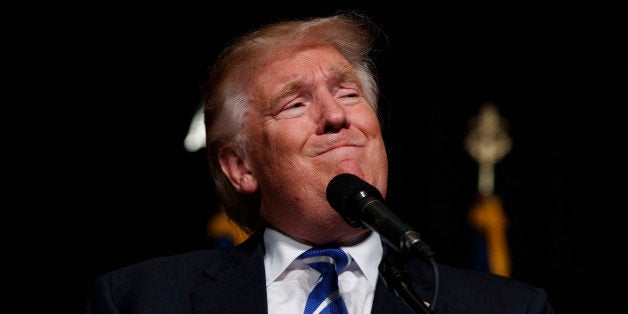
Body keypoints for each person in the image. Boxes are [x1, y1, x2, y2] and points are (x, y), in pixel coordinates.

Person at [84, 11, 554, 313]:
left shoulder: (508, 308)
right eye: (295, 104)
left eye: (348, 93)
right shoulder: (139, 301)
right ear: (240, 166)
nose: (335, 115)